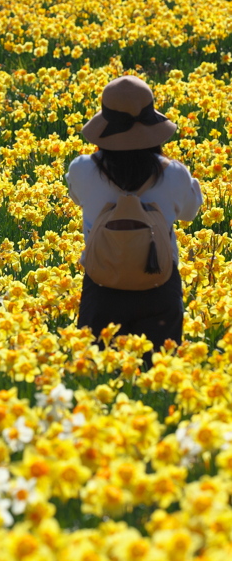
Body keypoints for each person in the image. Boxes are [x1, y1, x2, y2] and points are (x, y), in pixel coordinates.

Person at [66, 74, 202, 357]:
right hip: (159, 283)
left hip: (102, 285)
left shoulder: (80, 169)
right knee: (157, 379)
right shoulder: (174, 173)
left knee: (96, 375)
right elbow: (190, 213)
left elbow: (77, 198)